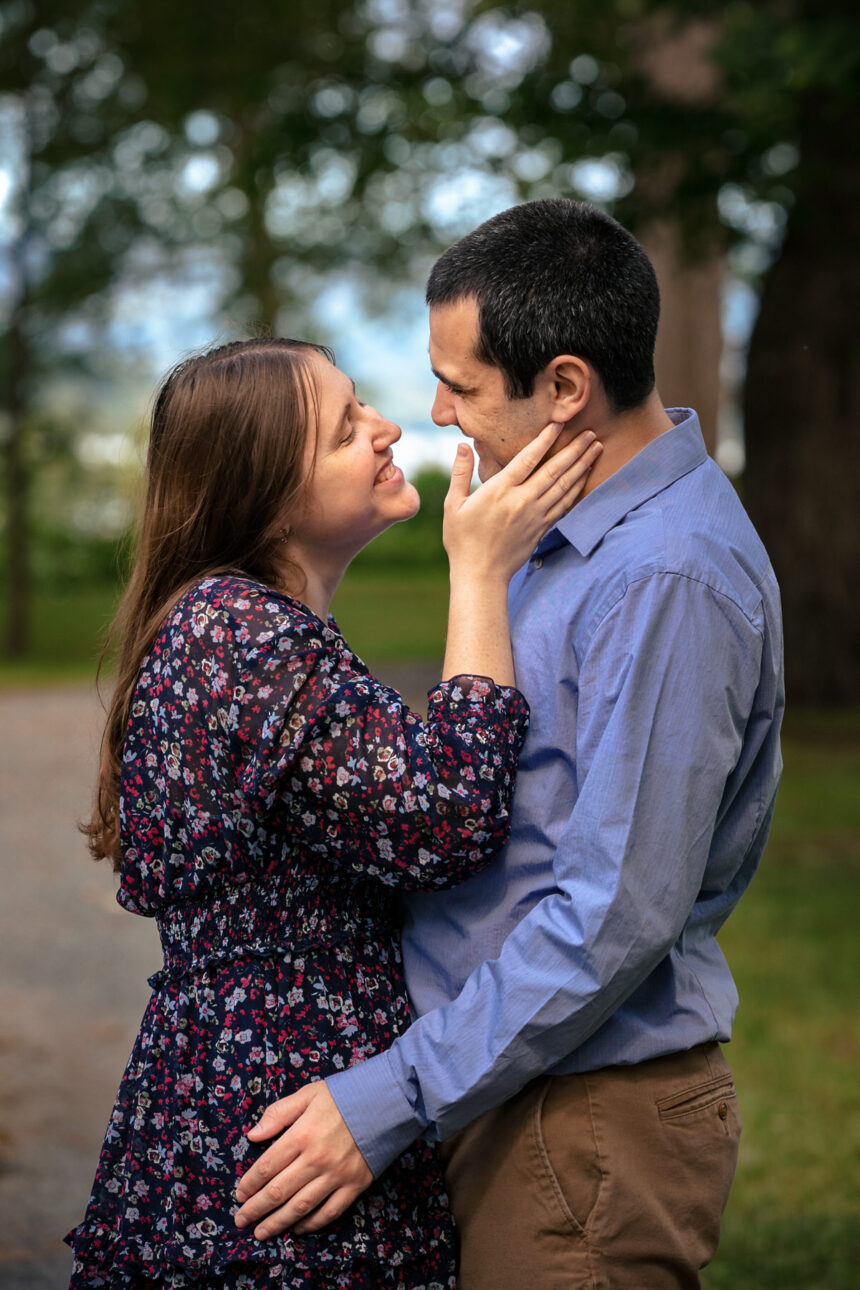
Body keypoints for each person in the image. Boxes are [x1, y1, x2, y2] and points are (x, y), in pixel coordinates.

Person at [232, 201, 785, 1289]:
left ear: (566, 386)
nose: (437, 415)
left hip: (579, 1122)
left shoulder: (664, 577)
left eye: (463, 386)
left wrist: (388, 1097)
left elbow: (616, 912)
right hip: (501, 1083)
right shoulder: (554, 530)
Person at [65, 335, 602, 1289]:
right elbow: (445, 821)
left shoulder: (249, 628)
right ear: (269, 491)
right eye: (346, 429)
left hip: (280, 1098)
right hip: (281, 1119)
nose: (388, 428)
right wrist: (479, 573)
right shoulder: (237, 634)